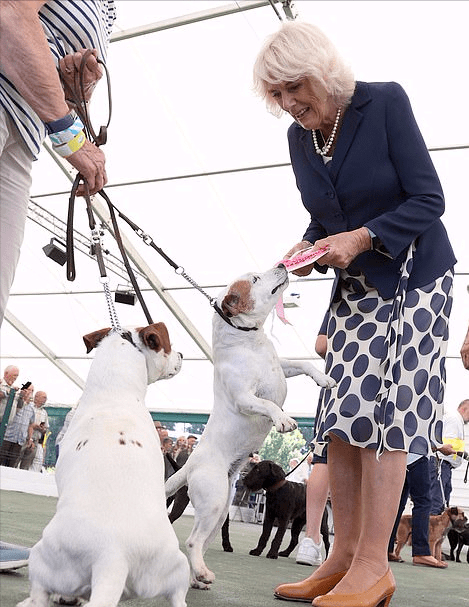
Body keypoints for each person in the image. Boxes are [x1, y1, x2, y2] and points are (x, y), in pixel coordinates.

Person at [253, 21, 456, 607]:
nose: (290, 105)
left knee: (390, 419)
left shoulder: (384, 101)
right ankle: (341, 559)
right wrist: (308, 247)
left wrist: (363, 237)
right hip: (355, 287)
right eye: (277, 96)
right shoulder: (300, 139)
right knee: (341, 420)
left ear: (322, 71)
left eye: (296, 88)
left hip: (415, 278)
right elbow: (326, 215)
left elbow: (428, 198)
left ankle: (375, 565)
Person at [0, 0, 116, 327]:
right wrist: (70, 136)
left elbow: (56, 87)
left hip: (24, 135)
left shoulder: (109, 9)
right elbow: (10, 11)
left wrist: (81, 86)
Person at [388, 452, 453, 569]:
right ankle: (421, 552)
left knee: (398, 503)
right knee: (423, 502)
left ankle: (387, 549)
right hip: (418, 456)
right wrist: (440, 447)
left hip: (401, 457)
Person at [429, 399, 469, 514]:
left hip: (445, 466)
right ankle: (430, 531)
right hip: (441, 465)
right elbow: (448, 445)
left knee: (442, 503)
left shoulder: (456, 420)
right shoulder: (455, 419)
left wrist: (465, 455)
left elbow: (454, 445)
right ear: (464, 408)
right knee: (437, 504)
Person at [0, 384, 35, 467]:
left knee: (11, 466)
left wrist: (30, 438)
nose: (30, 392)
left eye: (32, 391)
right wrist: (21, 398)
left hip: (19, 441)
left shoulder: (31, 408)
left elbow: (31, 424)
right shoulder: (14, 401)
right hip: (7, 437)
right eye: (29, 390)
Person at [17, 390, 49, 470]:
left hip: (35, 440)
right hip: (23, 438)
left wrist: (42, 428)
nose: (46, 399)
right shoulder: (28, 407)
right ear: (37, 397)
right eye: (44, 397)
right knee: (16, 460)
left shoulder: (44, 412)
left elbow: (45, 427)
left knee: (26, 465)